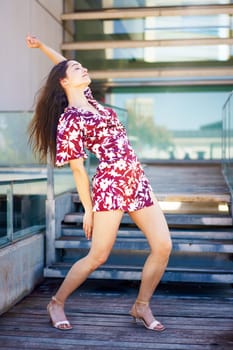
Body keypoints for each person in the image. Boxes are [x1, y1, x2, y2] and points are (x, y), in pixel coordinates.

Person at [26, 35, 172, 332]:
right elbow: (78, 170)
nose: (82, 69)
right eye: (76, 69)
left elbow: (62, 67)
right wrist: (89, 210)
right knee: (98, 256)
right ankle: (56, 302)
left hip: (137, 181)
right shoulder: (71, 118)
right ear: (65, 83)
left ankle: (140, 306)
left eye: (81, 66)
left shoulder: (93, 102)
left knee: (163, 245)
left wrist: (43, 47)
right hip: (110, 185)